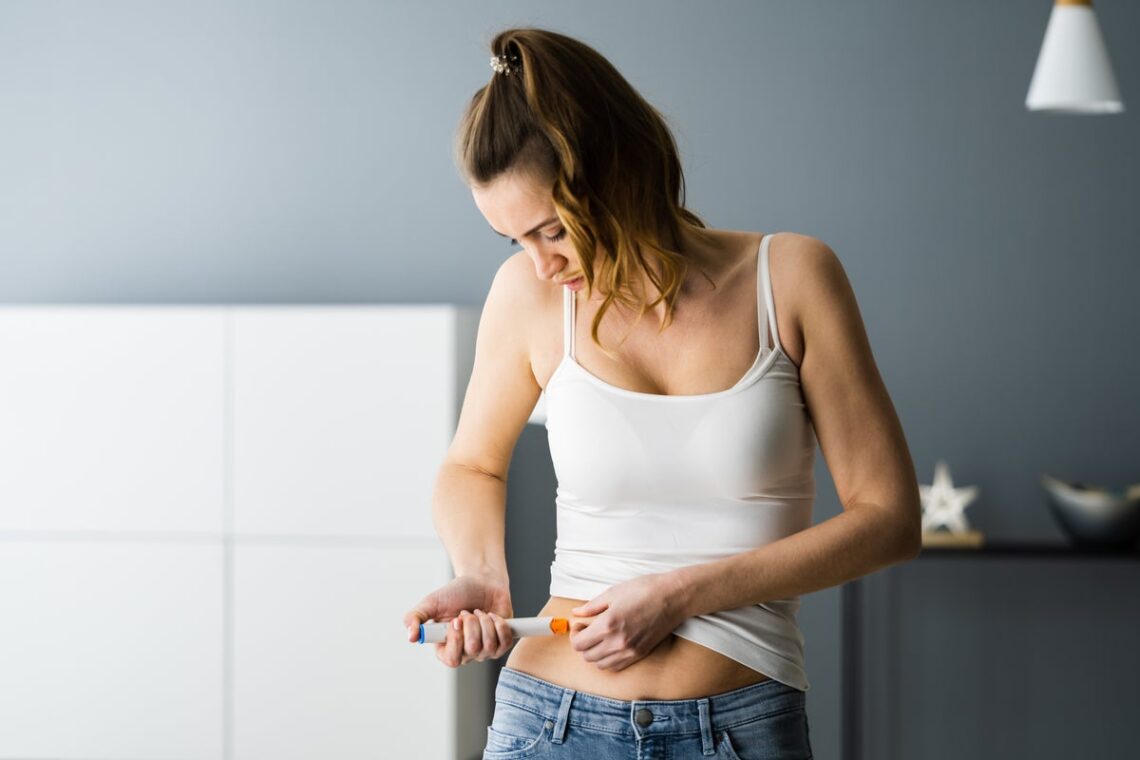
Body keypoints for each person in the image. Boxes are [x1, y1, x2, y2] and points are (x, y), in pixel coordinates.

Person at [403, 27, 921, 759]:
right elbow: (471, 465)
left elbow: (890, 519)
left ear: (616, 171)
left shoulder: (791, 279)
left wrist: (683, 594)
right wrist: (480, 572)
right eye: (515, 241)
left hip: (738, 729)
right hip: (548, 724)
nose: (541, 265)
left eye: (553, 231)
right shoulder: (528, 296)